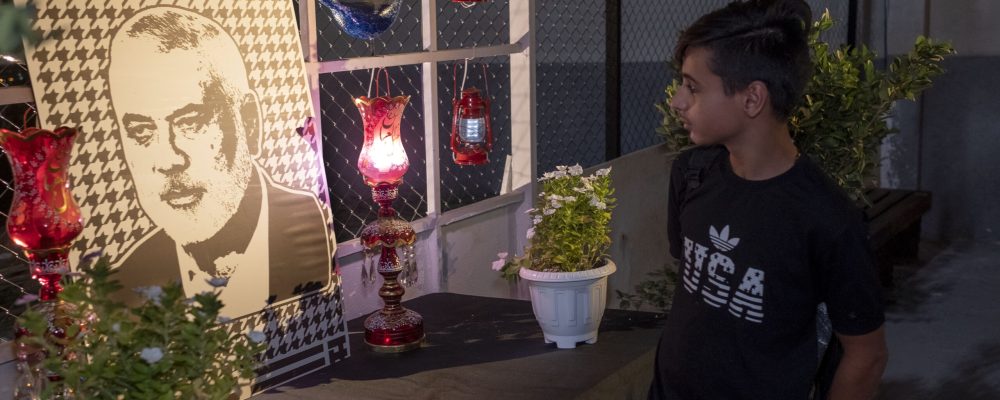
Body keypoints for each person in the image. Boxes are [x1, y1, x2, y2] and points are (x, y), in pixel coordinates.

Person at [649, 1, 888, 399]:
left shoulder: (827, 219)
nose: (677, 101)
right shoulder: (692, 174)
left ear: (752, 99)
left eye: (693, 87)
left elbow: (867, 356)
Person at [107, 7, 332, 317]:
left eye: (190, 122)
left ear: (249, 123)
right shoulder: (123, 285)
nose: (168, 159)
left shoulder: (311, 226)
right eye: (141, 132)